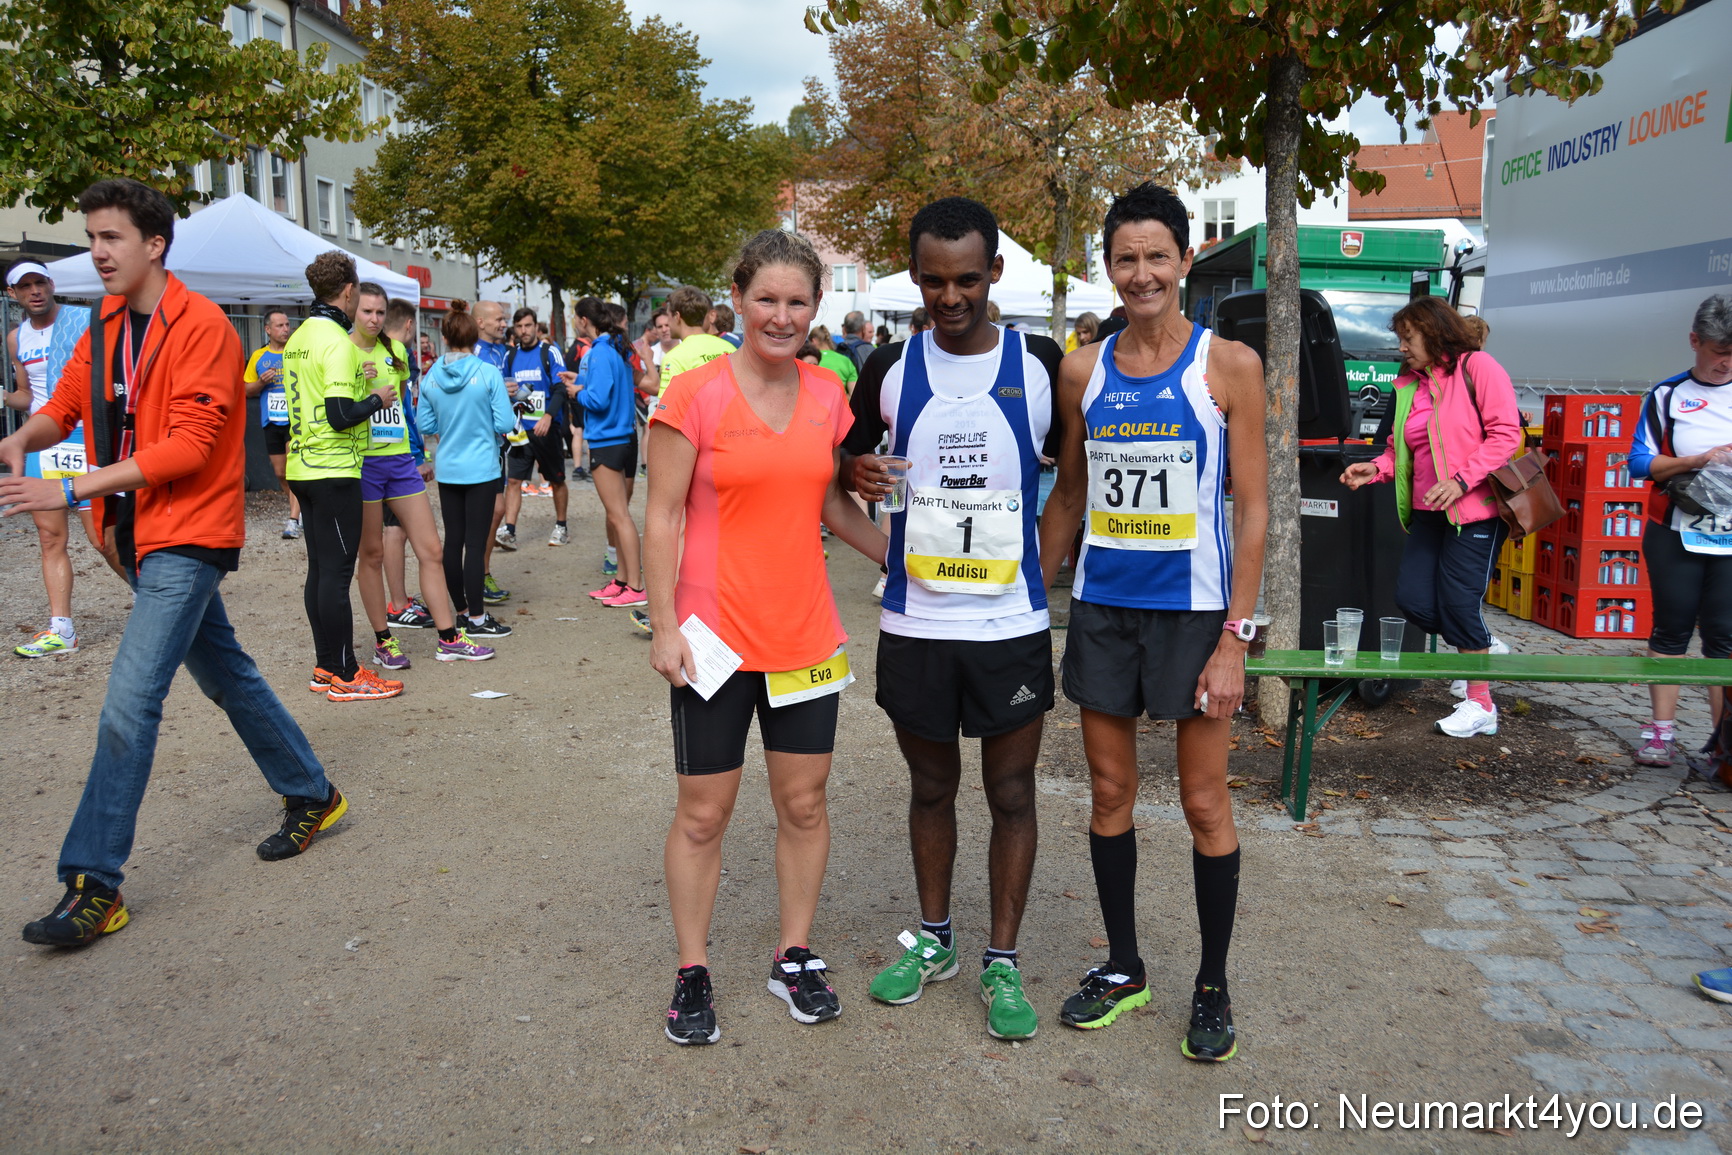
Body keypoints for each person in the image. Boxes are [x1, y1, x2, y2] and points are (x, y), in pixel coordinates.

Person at [0, 178, 349, 946]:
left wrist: (69, 483)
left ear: (154, 244)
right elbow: (67, 400)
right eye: (91, 237)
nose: (95, 251)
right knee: (226, 671)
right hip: (130, 535)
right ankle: (311, 792)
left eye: (110, 237)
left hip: (188, 534)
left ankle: (94, 882)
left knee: (131, 700)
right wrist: (26, 437)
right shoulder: (106, 323)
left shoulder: (204, 328)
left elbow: (190, 447)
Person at [1038, 182, 1269, 1061]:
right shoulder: (1082, 368)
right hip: (1103, 611)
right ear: (1109, 266)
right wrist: (1029, 589)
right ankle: (1126, 966)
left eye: (1156, 256)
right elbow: (1069, 492)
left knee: (1206, 801)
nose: (1141, 273)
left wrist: (1234, 640)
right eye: (1125, 258)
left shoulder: (1228, 366)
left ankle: (1211, 980)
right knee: (1108, 795)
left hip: (1194, 616)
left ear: (1183, 262)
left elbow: (1252, 511)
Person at [645, 228, 888, 1046]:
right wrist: (663, 623)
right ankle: (692, 968)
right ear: (738, 300)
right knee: (705, 811)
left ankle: (794, 955)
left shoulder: (828, 395)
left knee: (804, 801)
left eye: (797, 302)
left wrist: (898, 556)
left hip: (805, 632)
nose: (781, 316)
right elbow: (663, 514)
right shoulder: (694, 394)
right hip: (712, 636)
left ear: (817, 309)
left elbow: (825, 501)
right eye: (766, 300)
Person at [842, 197, 1064, 1041]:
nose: (950, 295)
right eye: (933, 280)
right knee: (931, 786)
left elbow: (1073, 479)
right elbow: (843, 473)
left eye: (967, 278)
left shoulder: (1042, 362)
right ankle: (934, 940)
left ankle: (1001, 960)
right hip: (918, 624)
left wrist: (1040, 572)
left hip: (1008, 623)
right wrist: (863, 493)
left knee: (1011, 791)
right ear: (915, 279)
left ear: (994, 273)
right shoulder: (890, 368)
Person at [1342, 294, 1523, 738]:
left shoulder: (1478, 368)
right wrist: (1377, 469)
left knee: (1459, 602)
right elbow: (1396, 449)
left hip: (1474, 512)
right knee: (1414, 600)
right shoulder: (1407, 385)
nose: (1401, 347)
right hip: (1427, 513)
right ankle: (1480, 644)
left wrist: (1462, 480)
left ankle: (1480, 704)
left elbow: (1506, 435)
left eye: (1408, 337)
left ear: (1434, 331)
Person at [349, 285, 495, 668]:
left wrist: (419, 454)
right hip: (363, 462)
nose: (374, 319)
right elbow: (336, 409)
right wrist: (355, 383)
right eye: (367, 311)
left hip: (399, 461)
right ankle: (383, 640)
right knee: (373, 553)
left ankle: (449, 637)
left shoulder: (397, 352)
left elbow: (406, 412)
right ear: (353, 310)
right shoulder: (341, 350)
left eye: (380, 313)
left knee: (431, 549)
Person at [283, 251, 403, 702]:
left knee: (320, 572)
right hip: (333, 470)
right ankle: (347, 674)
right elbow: (338, 415)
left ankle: (325, 666)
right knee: (334, 575)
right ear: (349, 291)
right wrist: (376, 399)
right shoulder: (336, 341)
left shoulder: (299, 336)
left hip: (303, 467)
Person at [1628, 294, 1732, 773]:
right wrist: (1697, 460)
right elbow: (1639, 463)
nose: (1725, 362)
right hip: (1676, 531)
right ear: (1695, 342)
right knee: (1670, 630)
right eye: (1717, 351)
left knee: (1725, 639)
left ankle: (1723, 743)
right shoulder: (1667, 395)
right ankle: (1660, 734)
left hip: (1729, 535)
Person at [4, 258, 105, 658]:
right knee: (50, 538)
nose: (35, 291)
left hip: (84, 438)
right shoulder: (16, 338)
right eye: (25, 286)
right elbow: (26, 395)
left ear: (51, 284)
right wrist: (4, 398)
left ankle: (164, 607)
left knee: (103, 539)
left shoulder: (82, 320)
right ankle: (61, 629)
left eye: (40, 282)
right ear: (13, 294)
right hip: (43, 445)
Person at [417, 301, 517, 638]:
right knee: (475, 545)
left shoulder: (431, 375)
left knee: (453, 542)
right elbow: (504, 422)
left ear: (443, 337)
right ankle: (477, 618)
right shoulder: (487, 373)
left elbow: (425, 422)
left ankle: (460, 611)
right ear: (474, 337)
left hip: (448, 468)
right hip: (481, 469)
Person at [568, 296, 645, 608]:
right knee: (618, 516)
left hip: (607, 440)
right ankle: (624, 581)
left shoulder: (600, 351)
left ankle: (636, 587)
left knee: (619, 516)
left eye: (575, 317)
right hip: (623, 437)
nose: (573, 322)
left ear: (585, 320)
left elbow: (597, 400)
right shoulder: (617, 346)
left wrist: (577, 392)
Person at [496, 306, 572, 548]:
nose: (524, 331)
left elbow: (561, 389)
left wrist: (549, 416)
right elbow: (507, 389)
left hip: (545, 428)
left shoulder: (549, 352)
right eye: (519, 327)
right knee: (515, 481)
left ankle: (561, 526)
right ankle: (509, 530)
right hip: (520, 430)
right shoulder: (510, 356)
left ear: (536, 327)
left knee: (556, 479)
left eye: (528, 326)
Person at [242, 308, 302, 539]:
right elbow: (247, 390)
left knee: (293, 470)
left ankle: (293, 520)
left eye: (287, 325)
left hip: (295, 421)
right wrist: (260, 382)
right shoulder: (258, 356)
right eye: (280, 325)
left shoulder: (297, 353)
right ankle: (300, 507)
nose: (285, 329)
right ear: (268, 329)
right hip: (271, 421)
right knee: (281, 473)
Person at [471, 300, 515, 606]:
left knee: (496, 509)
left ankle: (481, 572)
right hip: (476, 442)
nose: (504, 324)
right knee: (483, 512)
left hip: (497, 440)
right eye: (498, 319)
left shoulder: (500, 351)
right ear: (480, 322)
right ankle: (475, 575)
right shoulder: (473, 352)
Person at [657, 286, 736, 396]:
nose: (668, 323)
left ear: (677, 316)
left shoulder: (674, 359)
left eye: (668, 316)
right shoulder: (730, 348)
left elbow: (665, 410)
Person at [810, 324, 859, 391]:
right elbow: (853, 395)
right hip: (840, 400)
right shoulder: (846, 361)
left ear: (814, 341)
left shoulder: (810, 361)